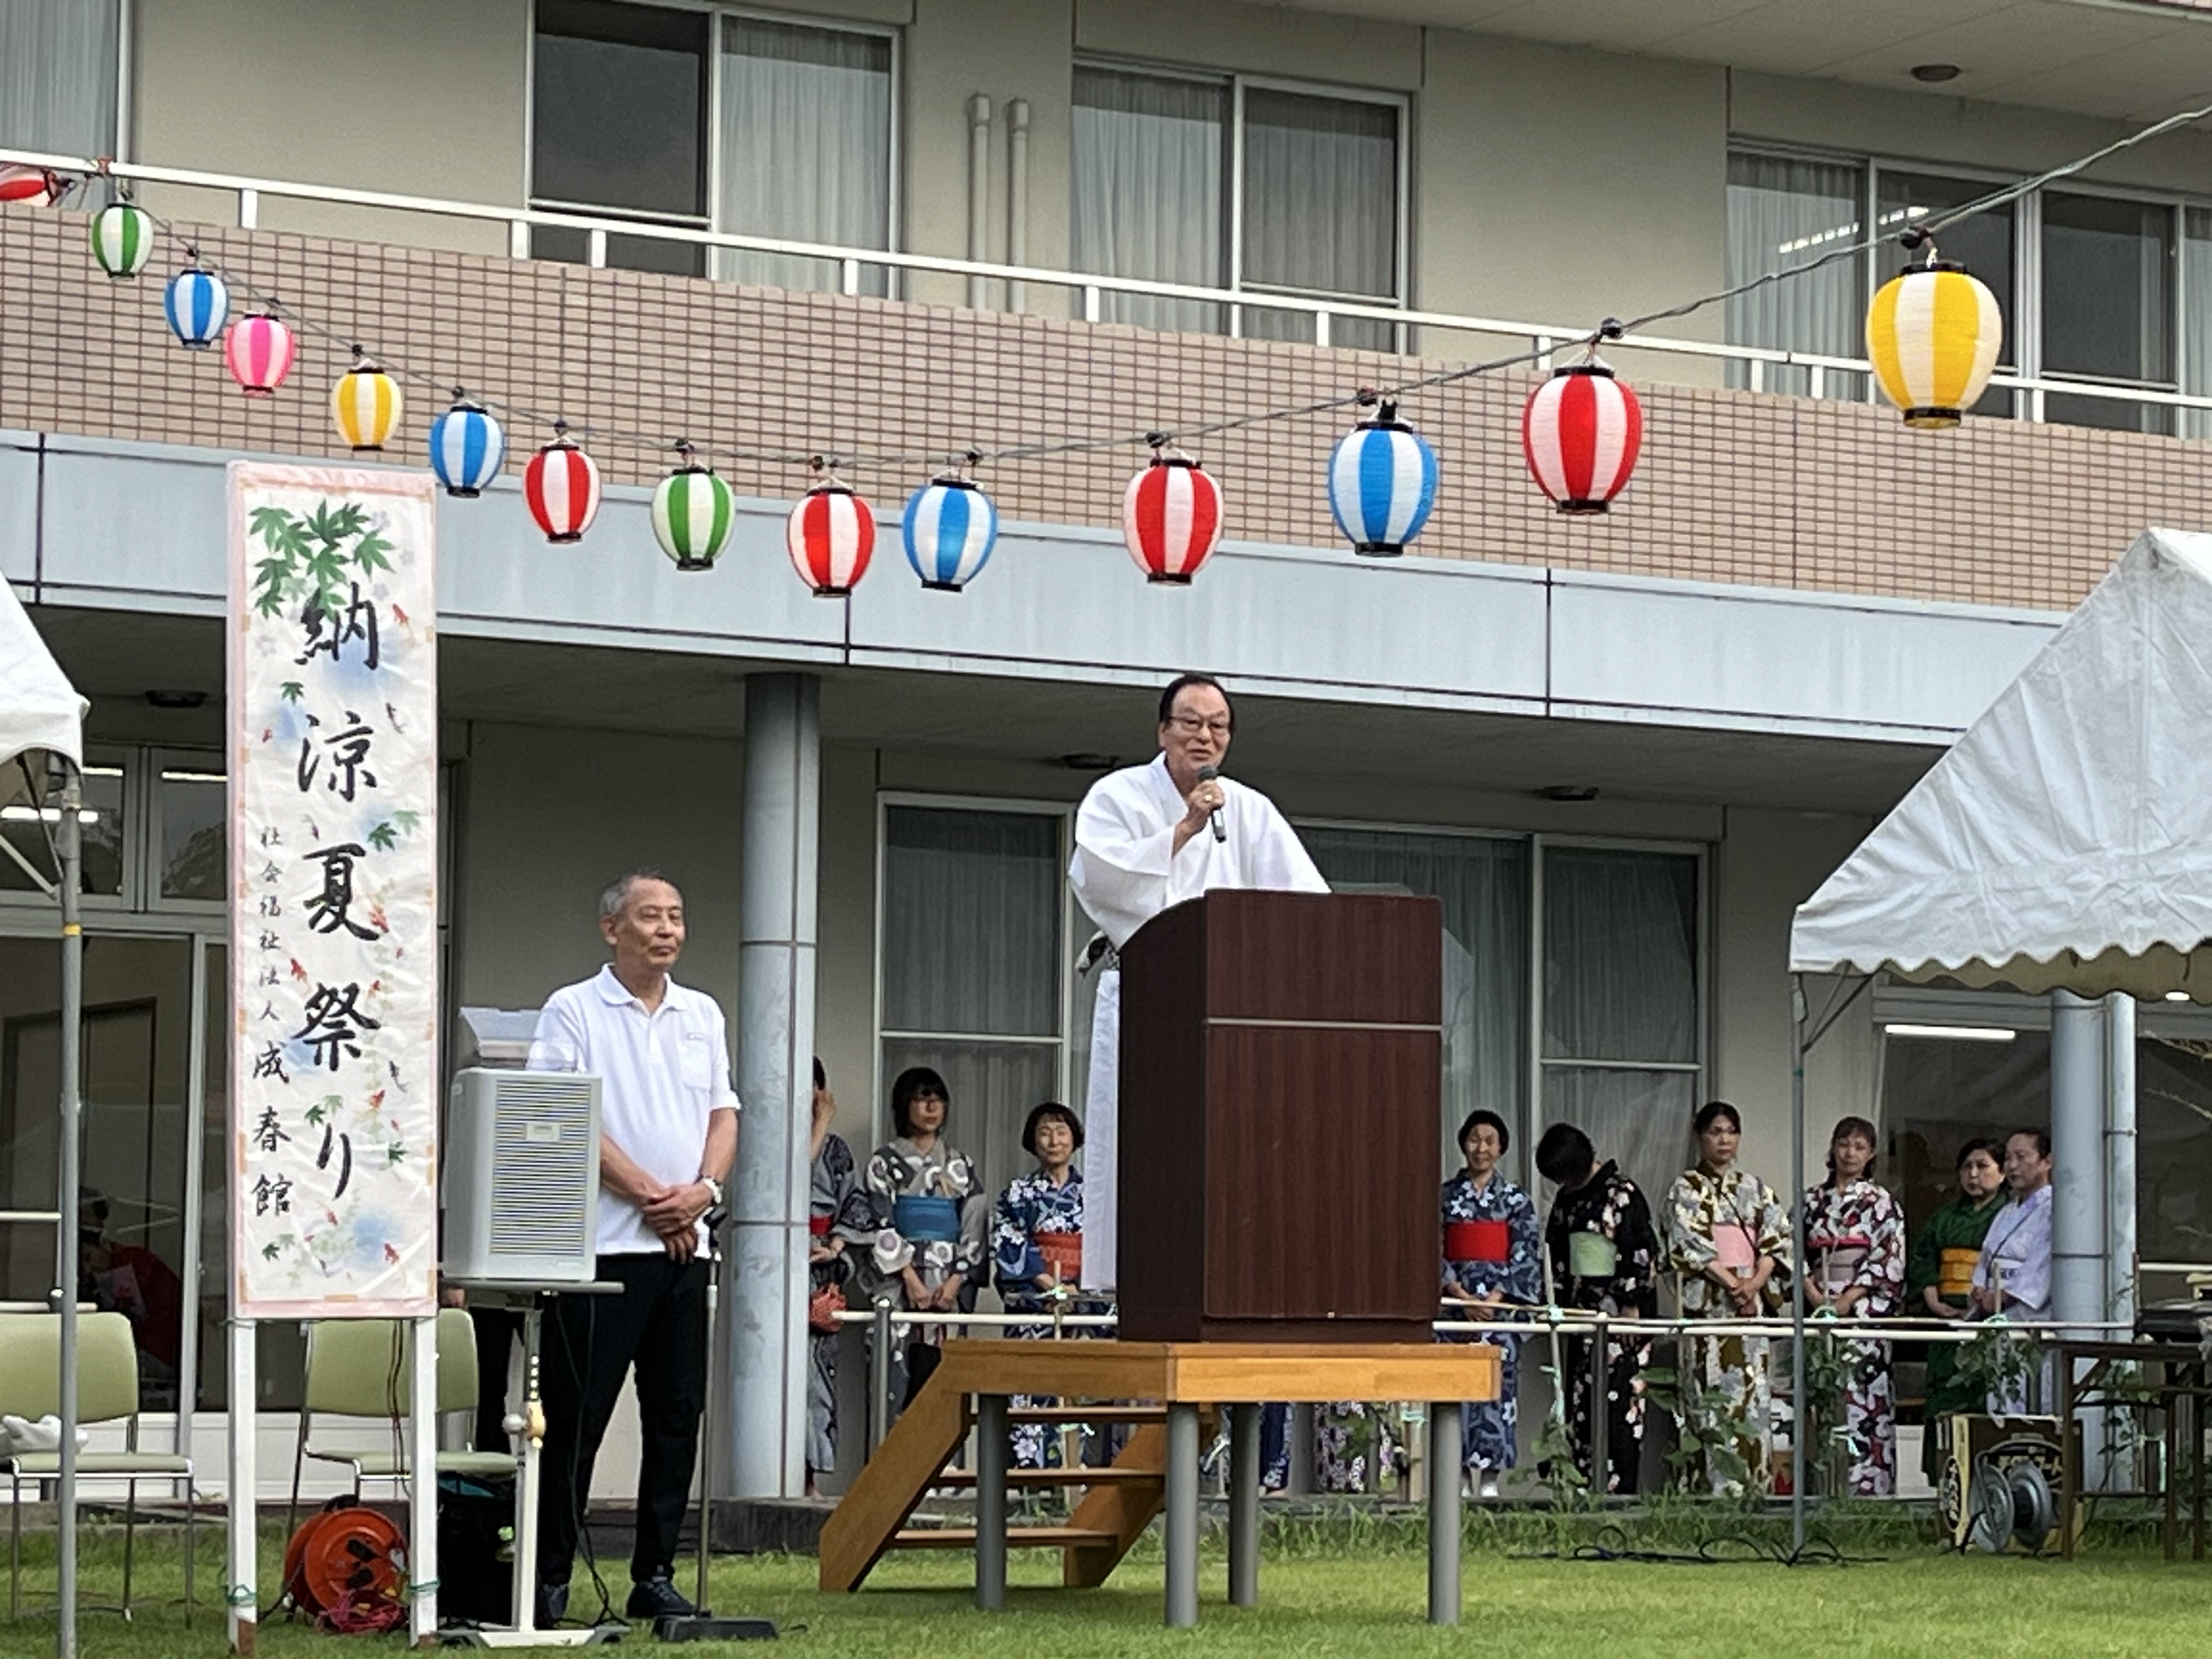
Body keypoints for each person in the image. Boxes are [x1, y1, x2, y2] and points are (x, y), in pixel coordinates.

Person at [1066, 672, 1329, 1290]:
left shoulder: (1250, 809)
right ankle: (1133, 1285)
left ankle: (1232, 1275)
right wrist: (1182, 830)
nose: (1204, 737)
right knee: (1146, 1146)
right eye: (1191, 723)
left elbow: (1305, 905)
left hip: (1231, 1008)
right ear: (1163, 730)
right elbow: (1098, 879)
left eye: (1217, 726)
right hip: (1149, 998)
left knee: (1229, 1148)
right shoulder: (1118, 796)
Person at [528, 871, 739, 1627]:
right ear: (611, 927)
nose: (667, 929)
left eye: (677, 916)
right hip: (604, 1253)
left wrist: (702, 1194)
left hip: (686, 1252)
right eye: (651, 916)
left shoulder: (702, 1014)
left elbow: (723, 1115)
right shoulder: (574, 1010)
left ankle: (656, 1571)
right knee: (575, 1418)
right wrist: (657, 1199)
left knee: (676, 1415)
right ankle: (548, 1576)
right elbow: (564, 1118)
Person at [1664, 1100, 1791, 1496]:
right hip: (1712, 1310)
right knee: (1710, 1399)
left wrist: (1754, 1283)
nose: (1724, 1140)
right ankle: (1710, 1494)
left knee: (1753, 1402)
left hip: (1749, 1310)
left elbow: (1777, 1239)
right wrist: (1733, 1283)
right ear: (1699, 1135)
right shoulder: (1685, 1189)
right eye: (1715, 1131)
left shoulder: (1756, 1189)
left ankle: (1754, 1490)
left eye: (1731, 1131)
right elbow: (1688, 1243)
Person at [850, 1066, 988, 1414]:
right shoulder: (885, 1162)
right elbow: (880, 1222)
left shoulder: (961, 1164)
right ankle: (893, 1465)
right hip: (899, 1283)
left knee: (945, 1382)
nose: (931, 1107)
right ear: (903, 1105)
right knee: (893, 1377)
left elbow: (974, 1223)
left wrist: (956, 1281)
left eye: (938, 1099)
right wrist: (909, 1278)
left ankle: (944, 1466)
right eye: (921, 1098)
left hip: (947, 1283)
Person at [1536, 1122, 1660, 1496]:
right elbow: (1555, 1253)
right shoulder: (1566, 1199)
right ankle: (1583, 1489)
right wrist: (1556, 1302)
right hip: (1581, 1315)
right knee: (1581, 1406)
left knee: (1619, 1406)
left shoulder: (1622, 1193)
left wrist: (1632, 1306)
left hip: (1621, 1314)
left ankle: (1620, 1495)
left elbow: (1643, 1252)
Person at [991, 1102, 1108, 1469]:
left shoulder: (1097, 1196)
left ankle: (1085, 1472)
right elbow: (1008, 1240)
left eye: (1061, 1131)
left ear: (1074, 1139)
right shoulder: (1017, 1194)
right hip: (1036, 1301)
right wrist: (1047, 1283)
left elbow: (1106, 1245)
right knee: (1030, 1387)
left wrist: (1079, 1289)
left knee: (1087, 1387)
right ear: (1033, 1141)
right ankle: (1030, 1476)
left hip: (1083, 1301)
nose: (1053, 1140)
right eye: (1044, 1132)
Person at [1801, 1116, 1906, 1495]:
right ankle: (1822, 1487)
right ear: (1832, 1148)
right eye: (1844, 1144)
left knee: (1865, 1397)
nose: (1850, 1153)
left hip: (1863, 1312)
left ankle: (1869, 1491)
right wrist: (1813, 1294)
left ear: (1872, 1153)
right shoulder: (1811, 1200)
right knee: (1823, 1394)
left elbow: (1889, 1258)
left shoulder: (1882, 1202)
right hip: (1818, 1304)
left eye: (1860, 1147)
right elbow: (1791, 1251)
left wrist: (1850, 1297)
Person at [1440, 1109, 1541, 1498]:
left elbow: (1526, 1252)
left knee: (1498, 1391)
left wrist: (1496, 1299)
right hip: (1456, 1310)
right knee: (1457, 1392)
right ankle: (1459, 1475)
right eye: (1474, 1140)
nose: (1481, 1148)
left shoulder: (1516, 1200)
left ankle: (1493, 1478)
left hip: (1498, 1311)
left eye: (1489, 1141)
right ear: (1463, 1144)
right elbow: (1433, 1248)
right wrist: (1459, 1295)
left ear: (1501, 1149)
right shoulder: (1445, 1198)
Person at [1906, 1137, 2007, 1482]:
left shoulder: (2010, 1216)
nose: (1974, 1175)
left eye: (1983, 1166)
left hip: (1987, 1315)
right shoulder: (1945, 1216)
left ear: (2003, 1172)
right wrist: (1932, 1298)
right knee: (1943, 1395)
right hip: (1947, 1316)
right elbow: (1923, 1256)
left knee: (1984, 1394)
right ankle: (1944, 1484)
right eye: (1967, 1167)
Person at [806, 1057, 871, 1493]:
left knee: (818, 1379)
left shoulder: (838, 1150)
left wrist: (835, 1248)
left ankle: (811, 1477)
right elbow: (790, 1178)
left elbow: (855, 1205)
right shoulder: (771, 1139)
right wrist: (820, 1125)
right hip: (774, 1266)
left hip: (820, 1265)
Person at [1971, 1128, 2055, 1413]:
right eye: (2008, 1158)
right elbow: (1987, 1255)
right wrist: (1981, 1288)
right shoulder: (2007, 1211)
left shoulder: (2053, 1208)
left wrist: (2007, 1296)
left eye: (2022, 1157)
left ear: (2047, 1161)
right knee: (2001, 1391)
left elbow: (2042, 1263)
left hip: (2026, 1313)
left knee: (2027, 1394)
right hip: (1997, 1309)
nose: (2013, 1165)